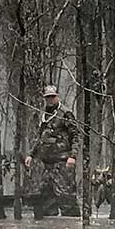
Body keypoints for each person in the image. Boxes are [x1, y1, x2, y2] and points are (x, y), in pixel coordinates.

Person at [24, 85, 80, 219]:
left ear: (57, 96)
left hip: (62, 162)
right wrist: (31, 155)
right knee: (46, 200)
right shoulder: (44, 115)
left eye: (52, 97)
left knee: (67, 198)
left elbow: (76, 136)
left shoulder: (65, 114)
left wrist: (73, 156)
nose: (50, 100)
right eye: (48, 97)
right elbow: (41, 137)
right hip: (47, 163)